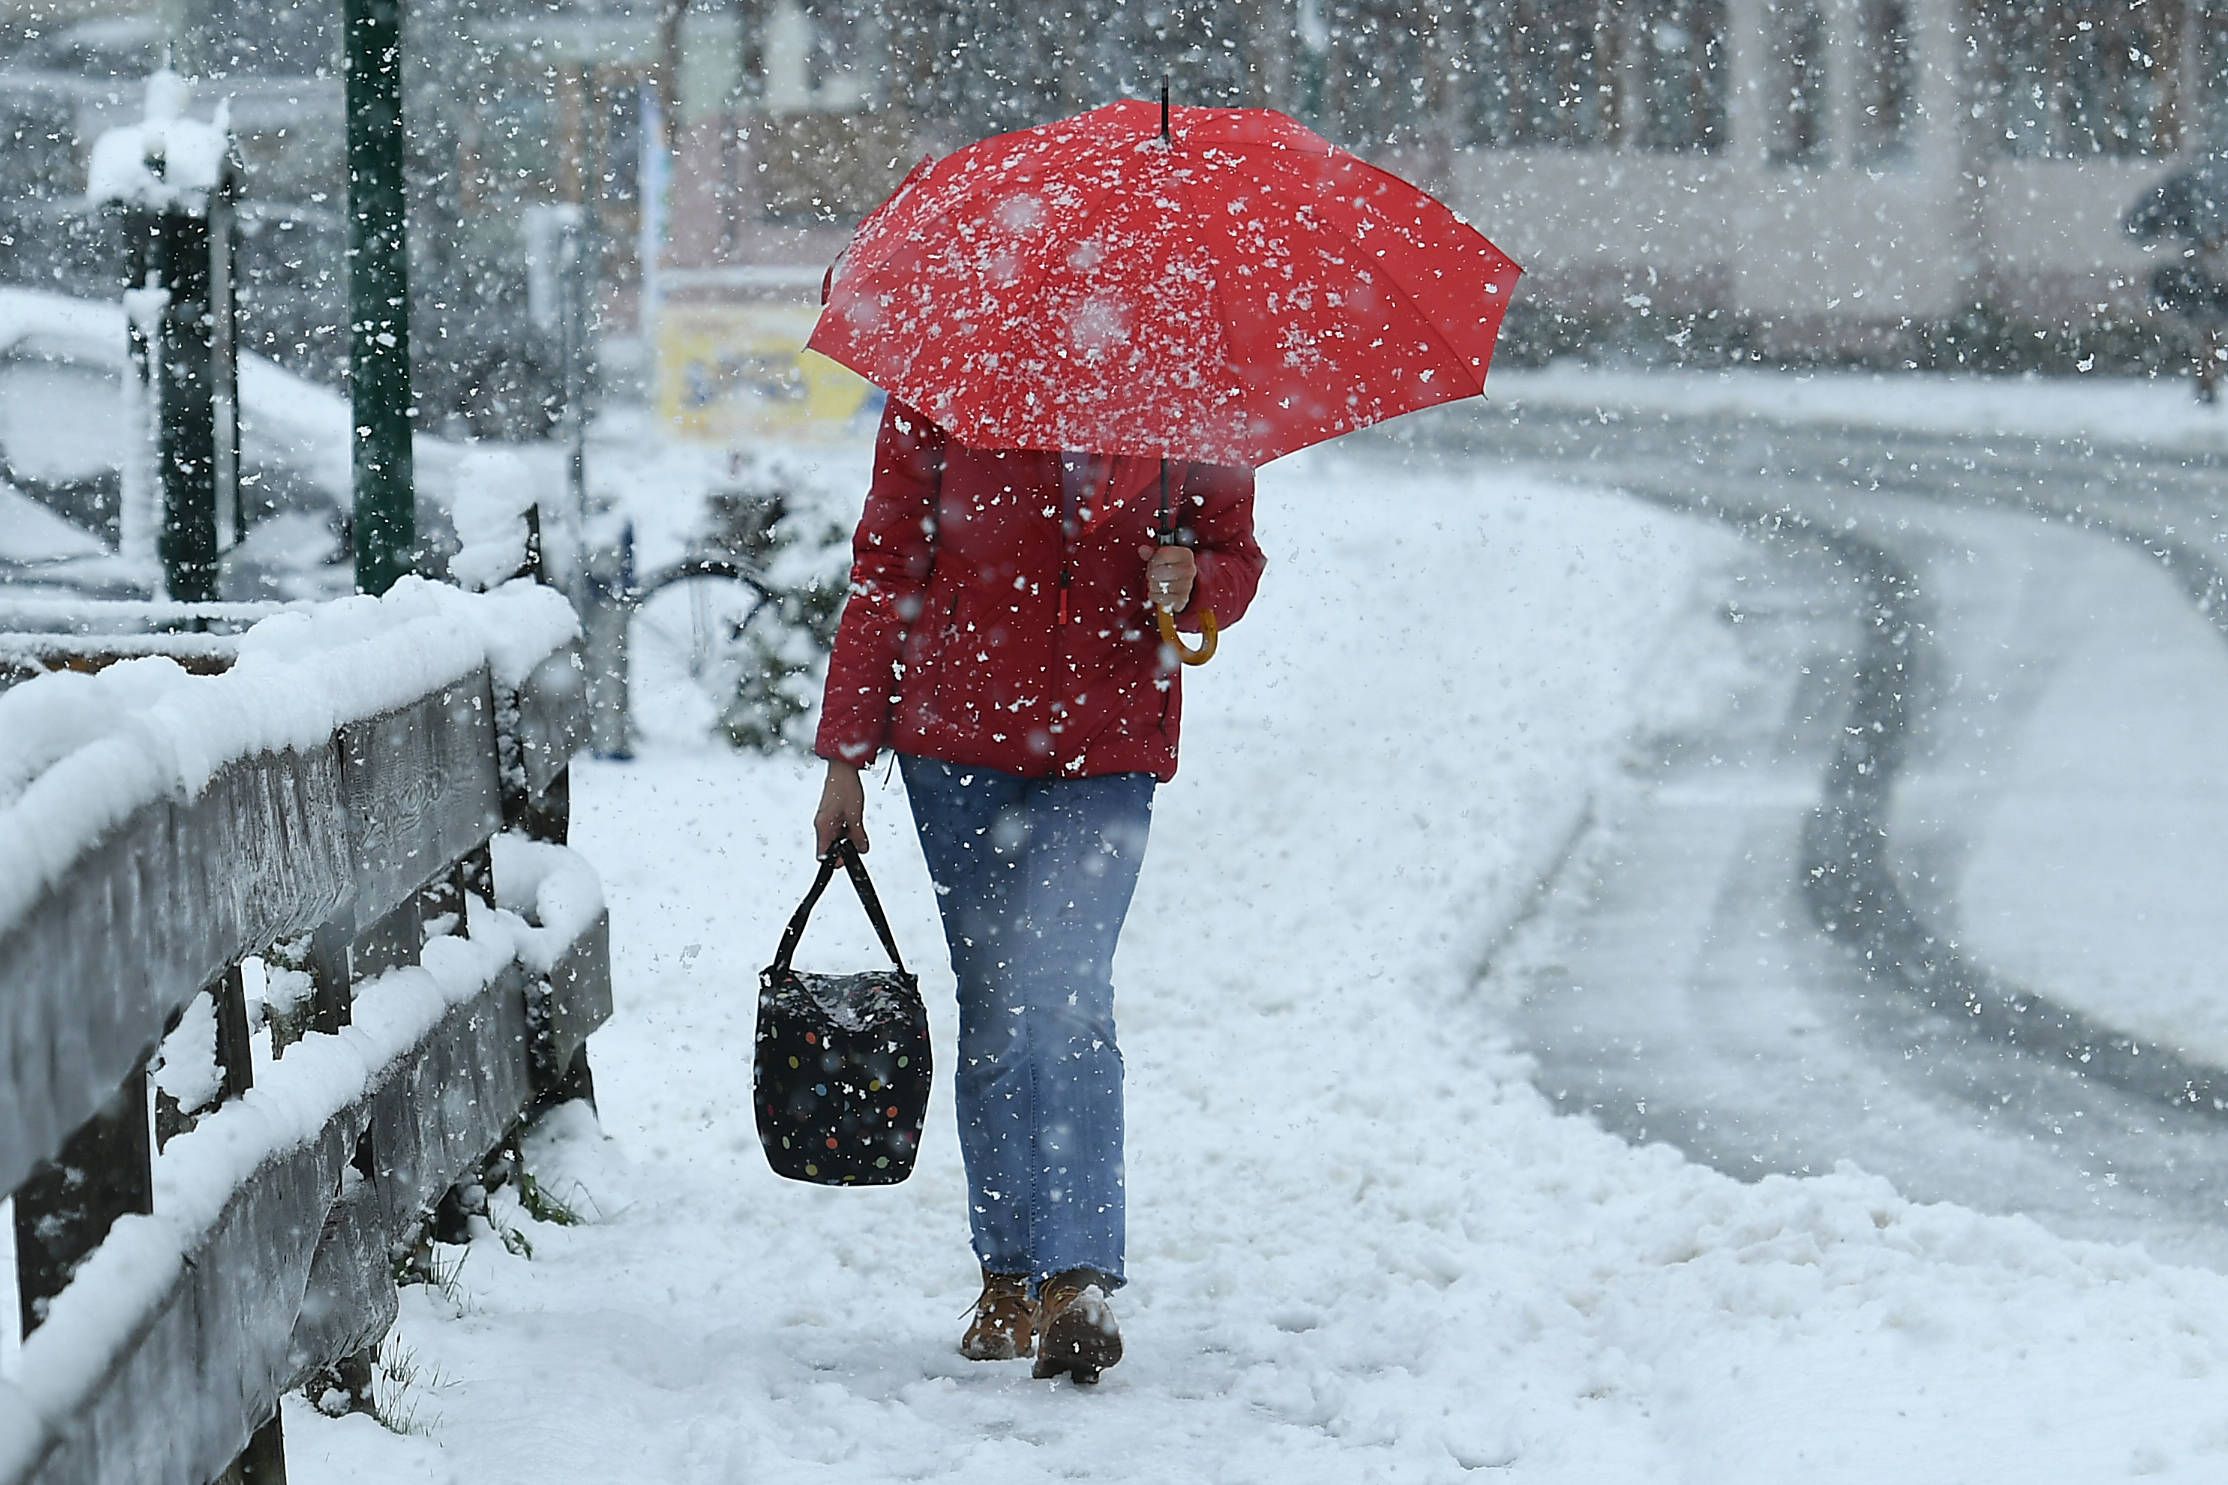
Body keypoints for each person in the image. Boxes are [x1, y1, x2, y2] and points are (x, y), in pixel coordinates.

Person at [811, 396, 1265, 1383]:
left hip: (1104, 753)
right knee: (996, 1010)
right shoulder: (948, 384)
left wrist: (1193, 584)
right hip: (956, 749)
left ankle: (1077, 1281)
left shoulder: (1187, 390)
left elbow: (1236, 557)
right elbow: (886, 567)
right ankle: (1006, 1269)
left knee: (1064, 989)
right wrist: (846, 753)